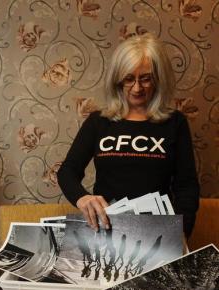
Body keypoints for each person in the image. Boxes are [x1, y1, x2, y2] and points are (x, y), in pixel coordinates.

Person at [57, 33, 199, 237]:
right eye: (129, 79)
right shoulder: (99, 122)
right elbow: (67, 171)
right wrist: (83, 198)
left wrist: (181, 234)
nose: (137, 88)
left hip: (158, 233)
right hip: (107, 232)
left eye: (146, 79)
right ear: (117, 79)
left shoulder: (175, 122)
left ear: (158, 79)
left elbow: (186, 186)